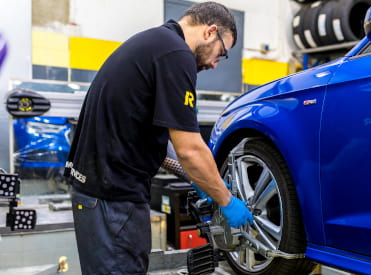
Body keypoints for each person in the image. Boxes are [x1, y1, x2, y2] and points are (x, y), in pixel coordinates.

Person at [64, 2, 253, 274]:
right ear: (210, 32)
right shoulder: (176, 55)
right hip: (113, 201)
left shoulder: (157, 44)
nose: (215, 64)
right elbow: (189, 149)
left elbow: (156, 143)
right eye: (221, 53)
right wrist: (226, 200)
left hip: (98, 195)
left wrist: (199, 179)